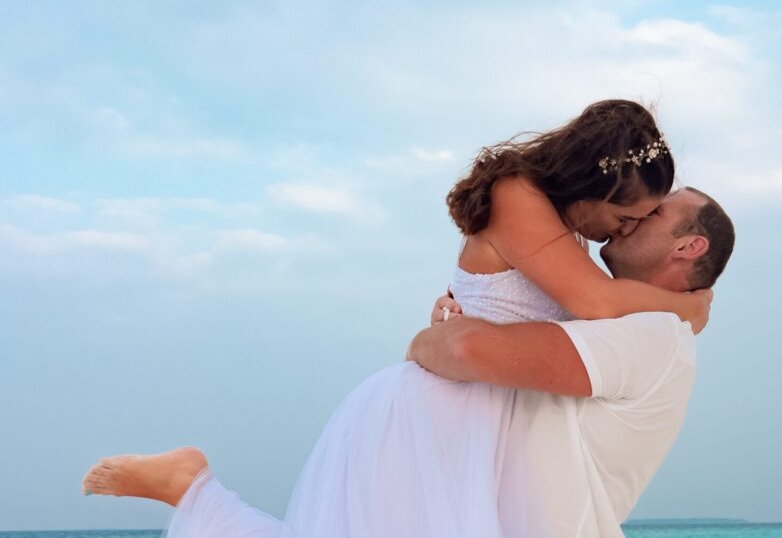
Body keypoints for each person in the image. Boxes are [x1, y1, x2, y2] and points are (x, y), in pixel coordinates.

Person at [81, 101, 717, 537]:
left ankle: (192, 488)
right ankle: (192, 490)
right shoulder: (517, 195)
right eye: (626, 216)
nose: (624, 230)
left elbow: (582, 311)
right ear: (591, 186)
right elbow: (597, 305)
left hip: (482, 423)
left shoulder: (565, 235)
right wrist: (688, 306)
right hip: (434, 414)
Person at [413, 187, 735, 537]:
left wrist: (431, 341)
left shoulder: (654, 333)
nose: (633, 216)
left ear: (688, 247)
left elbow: (465, 349)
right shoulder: (626, 327)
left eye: (653, 213)